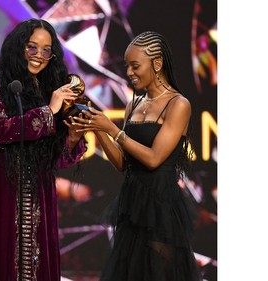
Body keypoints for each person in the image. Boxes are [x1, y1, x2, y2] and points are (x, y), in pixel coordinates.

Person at [0, 18, 87, 281]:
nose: (39, 56)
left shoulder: (50, 91)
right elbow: (0, 130)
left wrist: (74, 136)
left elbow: (59, 160)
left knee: (35, 261)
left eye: (46, 50)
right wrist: (49, 110)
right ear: (18, 47)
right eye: (32, 47)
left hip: (39, 188)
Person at [72, 31, 202, 280]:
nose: (129, 73)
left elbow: (154, 159)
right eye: (127, 66)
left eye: (135, 66)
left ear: (157, 64)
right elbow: (123, 163)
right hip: (131, 206)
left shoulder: (178, 104)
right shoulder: (134, 104)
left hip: (160, 207)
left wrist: (112, 129)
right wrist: (98, 130)